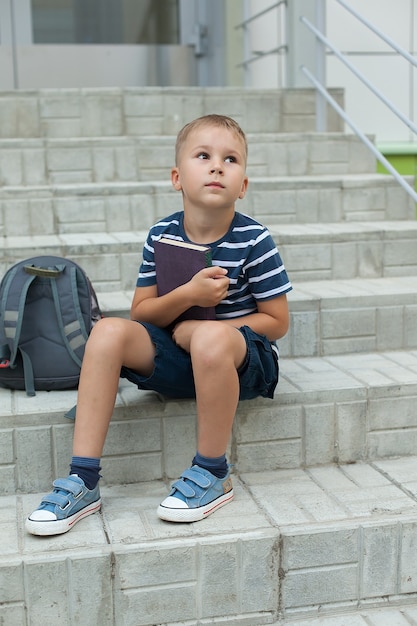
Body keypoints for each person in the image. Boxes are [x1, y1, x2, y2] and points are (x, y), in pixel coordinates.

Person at [26, 114, 292, 536]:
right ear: (177, 177)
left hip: (242, 364)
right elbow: (142, 313)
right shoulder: (162, 234)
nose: (217, 166)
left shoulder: (254, 240)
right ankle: (82, 480)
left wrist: (210, 328)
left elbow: (277, 321)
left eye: (230, 159)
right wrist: (189, 297)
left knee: (206, 336)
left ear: (242, 186)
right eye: (203, 155)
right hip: (178, 361)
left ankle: (213, 473)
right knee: (109, 330)